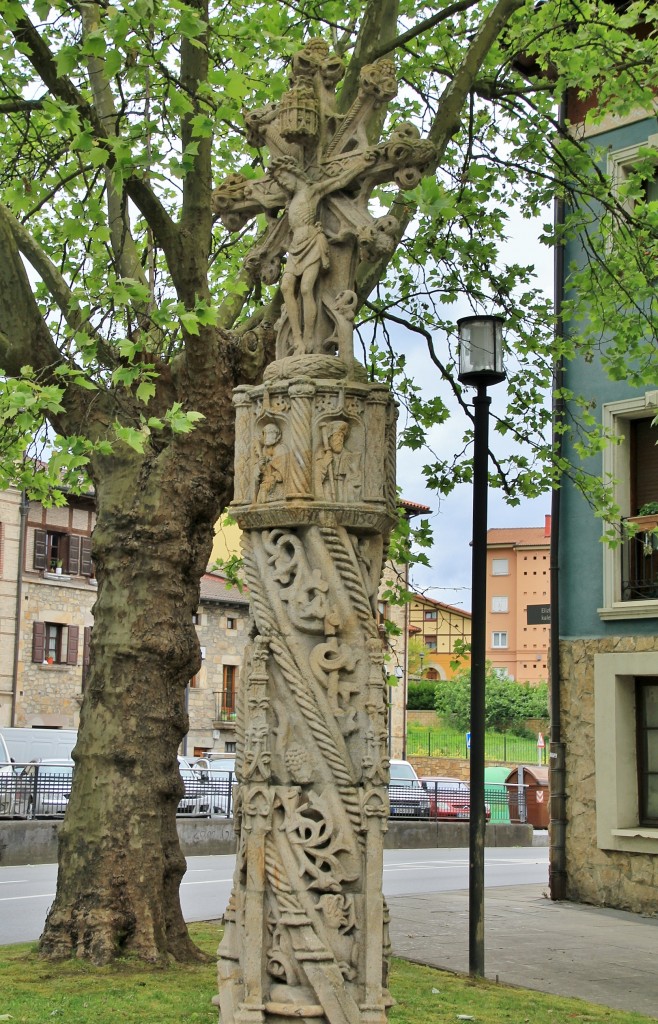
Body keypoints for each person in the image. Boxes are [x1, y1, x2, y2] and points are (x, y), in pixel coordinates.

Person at [317, 421, 361, 502]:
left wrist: (353, 473)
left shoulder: (348, 456)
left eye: (342, 436)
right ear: (329, 438)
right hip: (328, 490)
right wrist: (324, 463)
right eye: (337, 435)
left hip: (344, 492)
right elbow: (316, 478)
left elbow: (356, 480)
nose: (340, 439)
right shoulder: (321, 454)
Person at [255, 423, 288, 502]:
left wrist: (270, 461)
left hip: (278, 482)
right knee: (262, 494)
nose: (267, 436)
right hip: (267, 481)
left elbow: (283, 470)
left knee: (265, 491)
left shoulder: (281, 449)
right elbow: (264, 471)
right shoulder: (264, 450)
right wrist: (261, 465)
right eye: (265, 433)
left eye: (270, 433)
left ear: (278, 436)